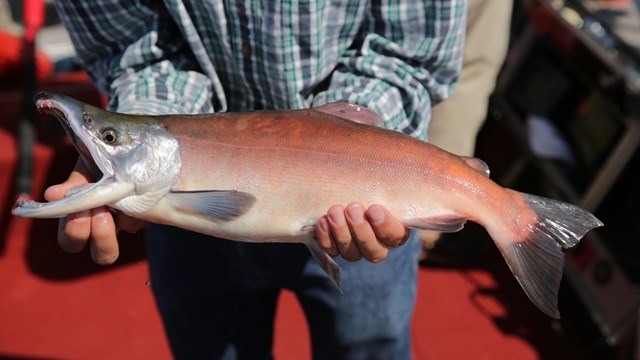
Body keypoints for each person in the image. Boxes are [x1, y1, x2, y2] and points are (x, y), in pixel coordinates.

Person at [48, 1, 466, 359]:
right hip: (185, 225)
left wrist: (346, 138)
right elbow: (132, 50)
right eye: (109, 137)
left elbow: (407, 56)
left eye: (107, 137)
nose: (104, 140)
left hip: (359, 214)